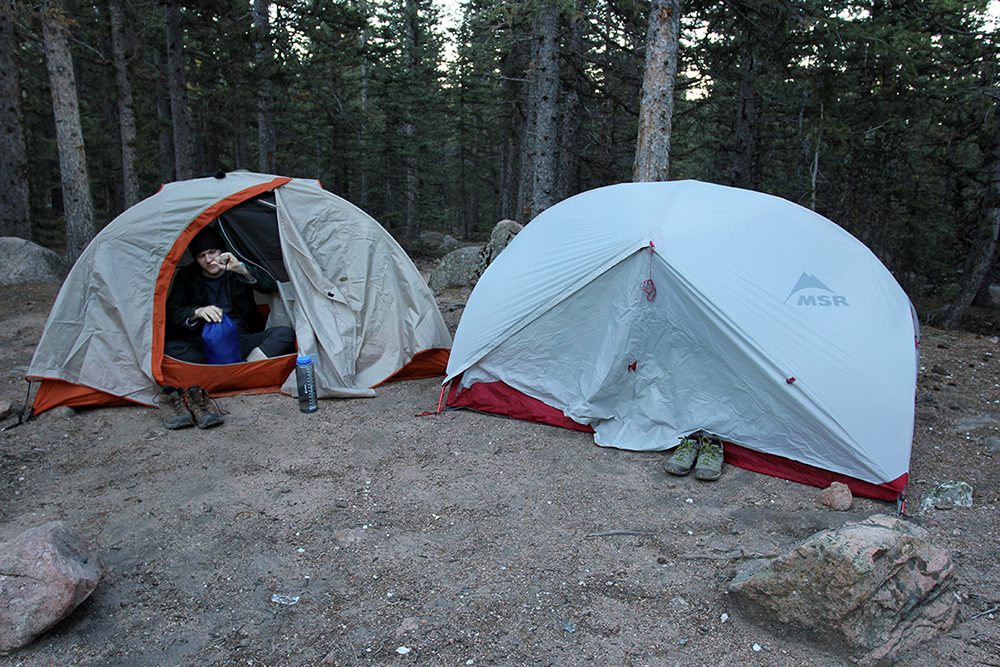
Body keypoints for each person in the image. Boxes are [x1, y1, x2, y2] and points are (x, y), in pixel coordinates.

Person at [165, 226, 295, 364]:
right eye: (201, 256)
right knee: (171, 348)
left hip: (241, 338)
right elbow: (172, 311)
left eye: (212, 252)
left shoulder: (235, 267)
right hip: (206, 341)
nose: (208, 260)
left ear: (222, 251)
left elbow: (270, 286)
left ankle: (243, 367)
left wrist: (242, 270)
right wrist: (197, 312)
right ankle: (227, 368)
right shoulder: (187, 276)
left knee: (284, 334)